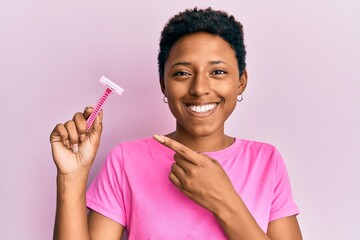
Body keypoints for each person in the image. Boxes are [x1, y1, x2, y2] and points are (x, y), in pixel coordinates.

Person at [50, 7, 302, 240]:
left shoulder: (267, 161)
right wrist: (71, 177)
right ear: (163, 83)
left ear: (241, 81)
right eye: (182, 73)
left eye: (218, 72)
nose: (200, 88)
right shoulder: (126, 161)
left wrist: (225, 201)